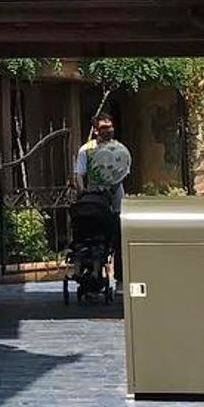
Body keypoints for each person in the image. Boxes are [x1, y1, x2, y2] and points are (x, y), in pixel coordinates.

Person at [73, 114, 132, 289]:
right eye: (104, 127)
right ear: (96, 130)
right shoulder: (87, 150)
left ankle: (120, 278)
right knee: (90, 235)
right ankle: (89, 270)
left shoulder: (119, 149)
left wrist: (112, 189)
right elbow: (79, 173)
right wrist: (83, 192)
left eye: (110, 126)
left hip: (114, 199)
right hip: (94, 197)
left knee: (118, 236)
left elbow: (123, 171)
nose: (109, 130)